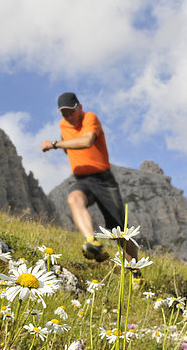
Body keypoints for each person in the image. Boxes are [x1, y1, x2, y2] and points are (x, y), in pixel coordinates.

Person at [41, 92, 137, 262]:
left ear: (80, 107)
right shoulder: (63, 125)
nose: (69, 117)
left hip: (104, 180)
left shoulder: (90, 118)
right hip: (82, 180)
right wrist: (65, 147)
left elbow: (87, 141)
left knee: (120, 233)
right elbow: (68, 146)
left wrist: (55, 144)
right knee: (74, 199)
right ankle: (91, 241)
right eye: (64, 114)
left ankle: (135, 272)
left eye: (71, 112)